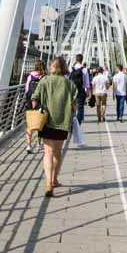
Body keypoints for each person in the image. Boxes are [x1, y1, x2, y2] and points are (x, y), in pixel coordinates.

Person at [31, 56, 77, 197]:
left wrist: (36, 109)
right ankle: (55, 179)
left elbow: (34, 98)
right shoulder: (70, 84)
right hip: (63, 123)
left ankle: (48, 183)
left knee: (48, 153)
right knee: (57, 152)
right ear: (63, 68)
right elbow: (75, 106)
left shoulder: (45, 81)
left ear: (53, 67)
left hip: (47, 121)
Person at [23, 61, 45, 154]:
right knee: (41, 124)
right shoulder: (43, 77)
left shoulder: (30, 76)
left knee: (29, 124)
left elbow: (27, 90)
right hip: (40, 103)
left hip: (29, 102)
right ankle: (38, 144)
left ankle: (28, 145)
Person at [69, 53, 91, 123]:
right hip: (81, 90)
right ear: (82, 60)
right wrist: (88, 92)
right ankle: (78, 123)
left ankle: (71, 121)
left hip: (72, 91)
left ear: (76, 59)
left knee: (72, 107)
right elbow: (87, 83)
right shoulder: (84, 70)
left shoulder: (71, 69)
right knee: (80, 107)